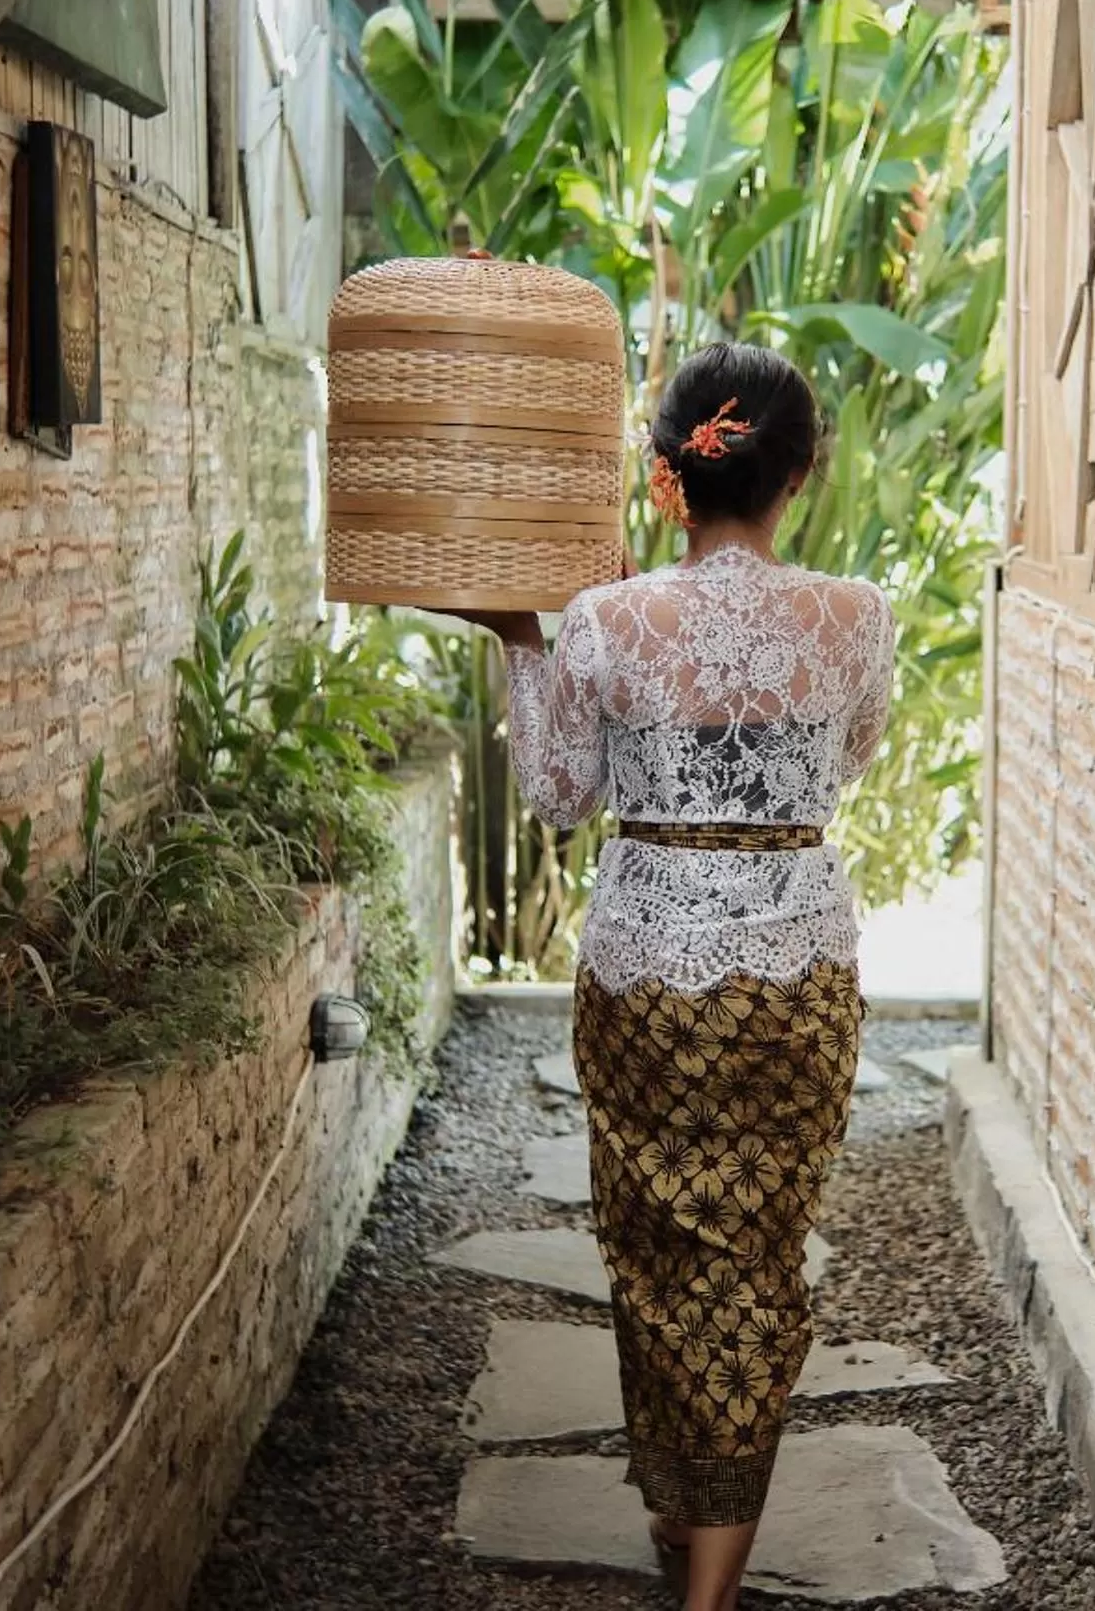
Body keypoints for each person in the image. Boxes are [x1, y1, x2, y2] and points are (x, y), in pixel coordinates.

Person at [441, 341, 895, 1611]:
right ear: (794, 474)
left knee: (649, 1248)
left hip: (645, 970)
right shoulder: (856, 618)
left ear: (672, 480)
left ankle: (686, 1535)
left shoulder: (604, 619)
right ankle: (707, 1551)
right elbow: (845, 759)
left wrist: (521, 643)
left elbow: (560, 794)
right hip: (794, 975)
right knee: (757, 1256)